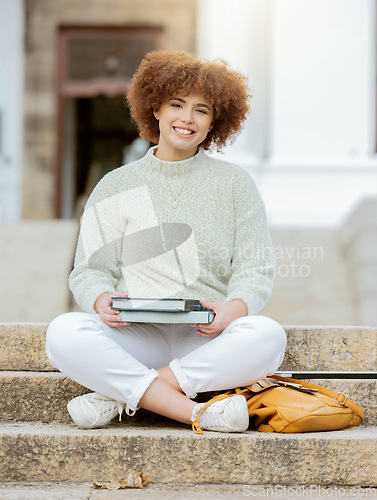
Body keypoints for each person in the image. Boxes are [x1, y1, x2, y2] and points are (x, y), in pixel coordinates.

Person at [46, 50, 286, 434]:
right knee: (62, 333)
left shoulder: (235, 185)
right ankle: (198, 414)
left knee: (268, 336)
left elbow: (255, 267)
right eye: (177, 104)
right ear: (155, 109)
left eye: (201, 110)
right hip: (135, 334)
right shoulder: (116, 185)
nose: (187, 118)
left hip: (206, 339)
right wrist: (100, 299)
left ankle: (119, 396)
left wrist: (232, 310)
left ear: (215, 122)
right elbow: (90, 270)